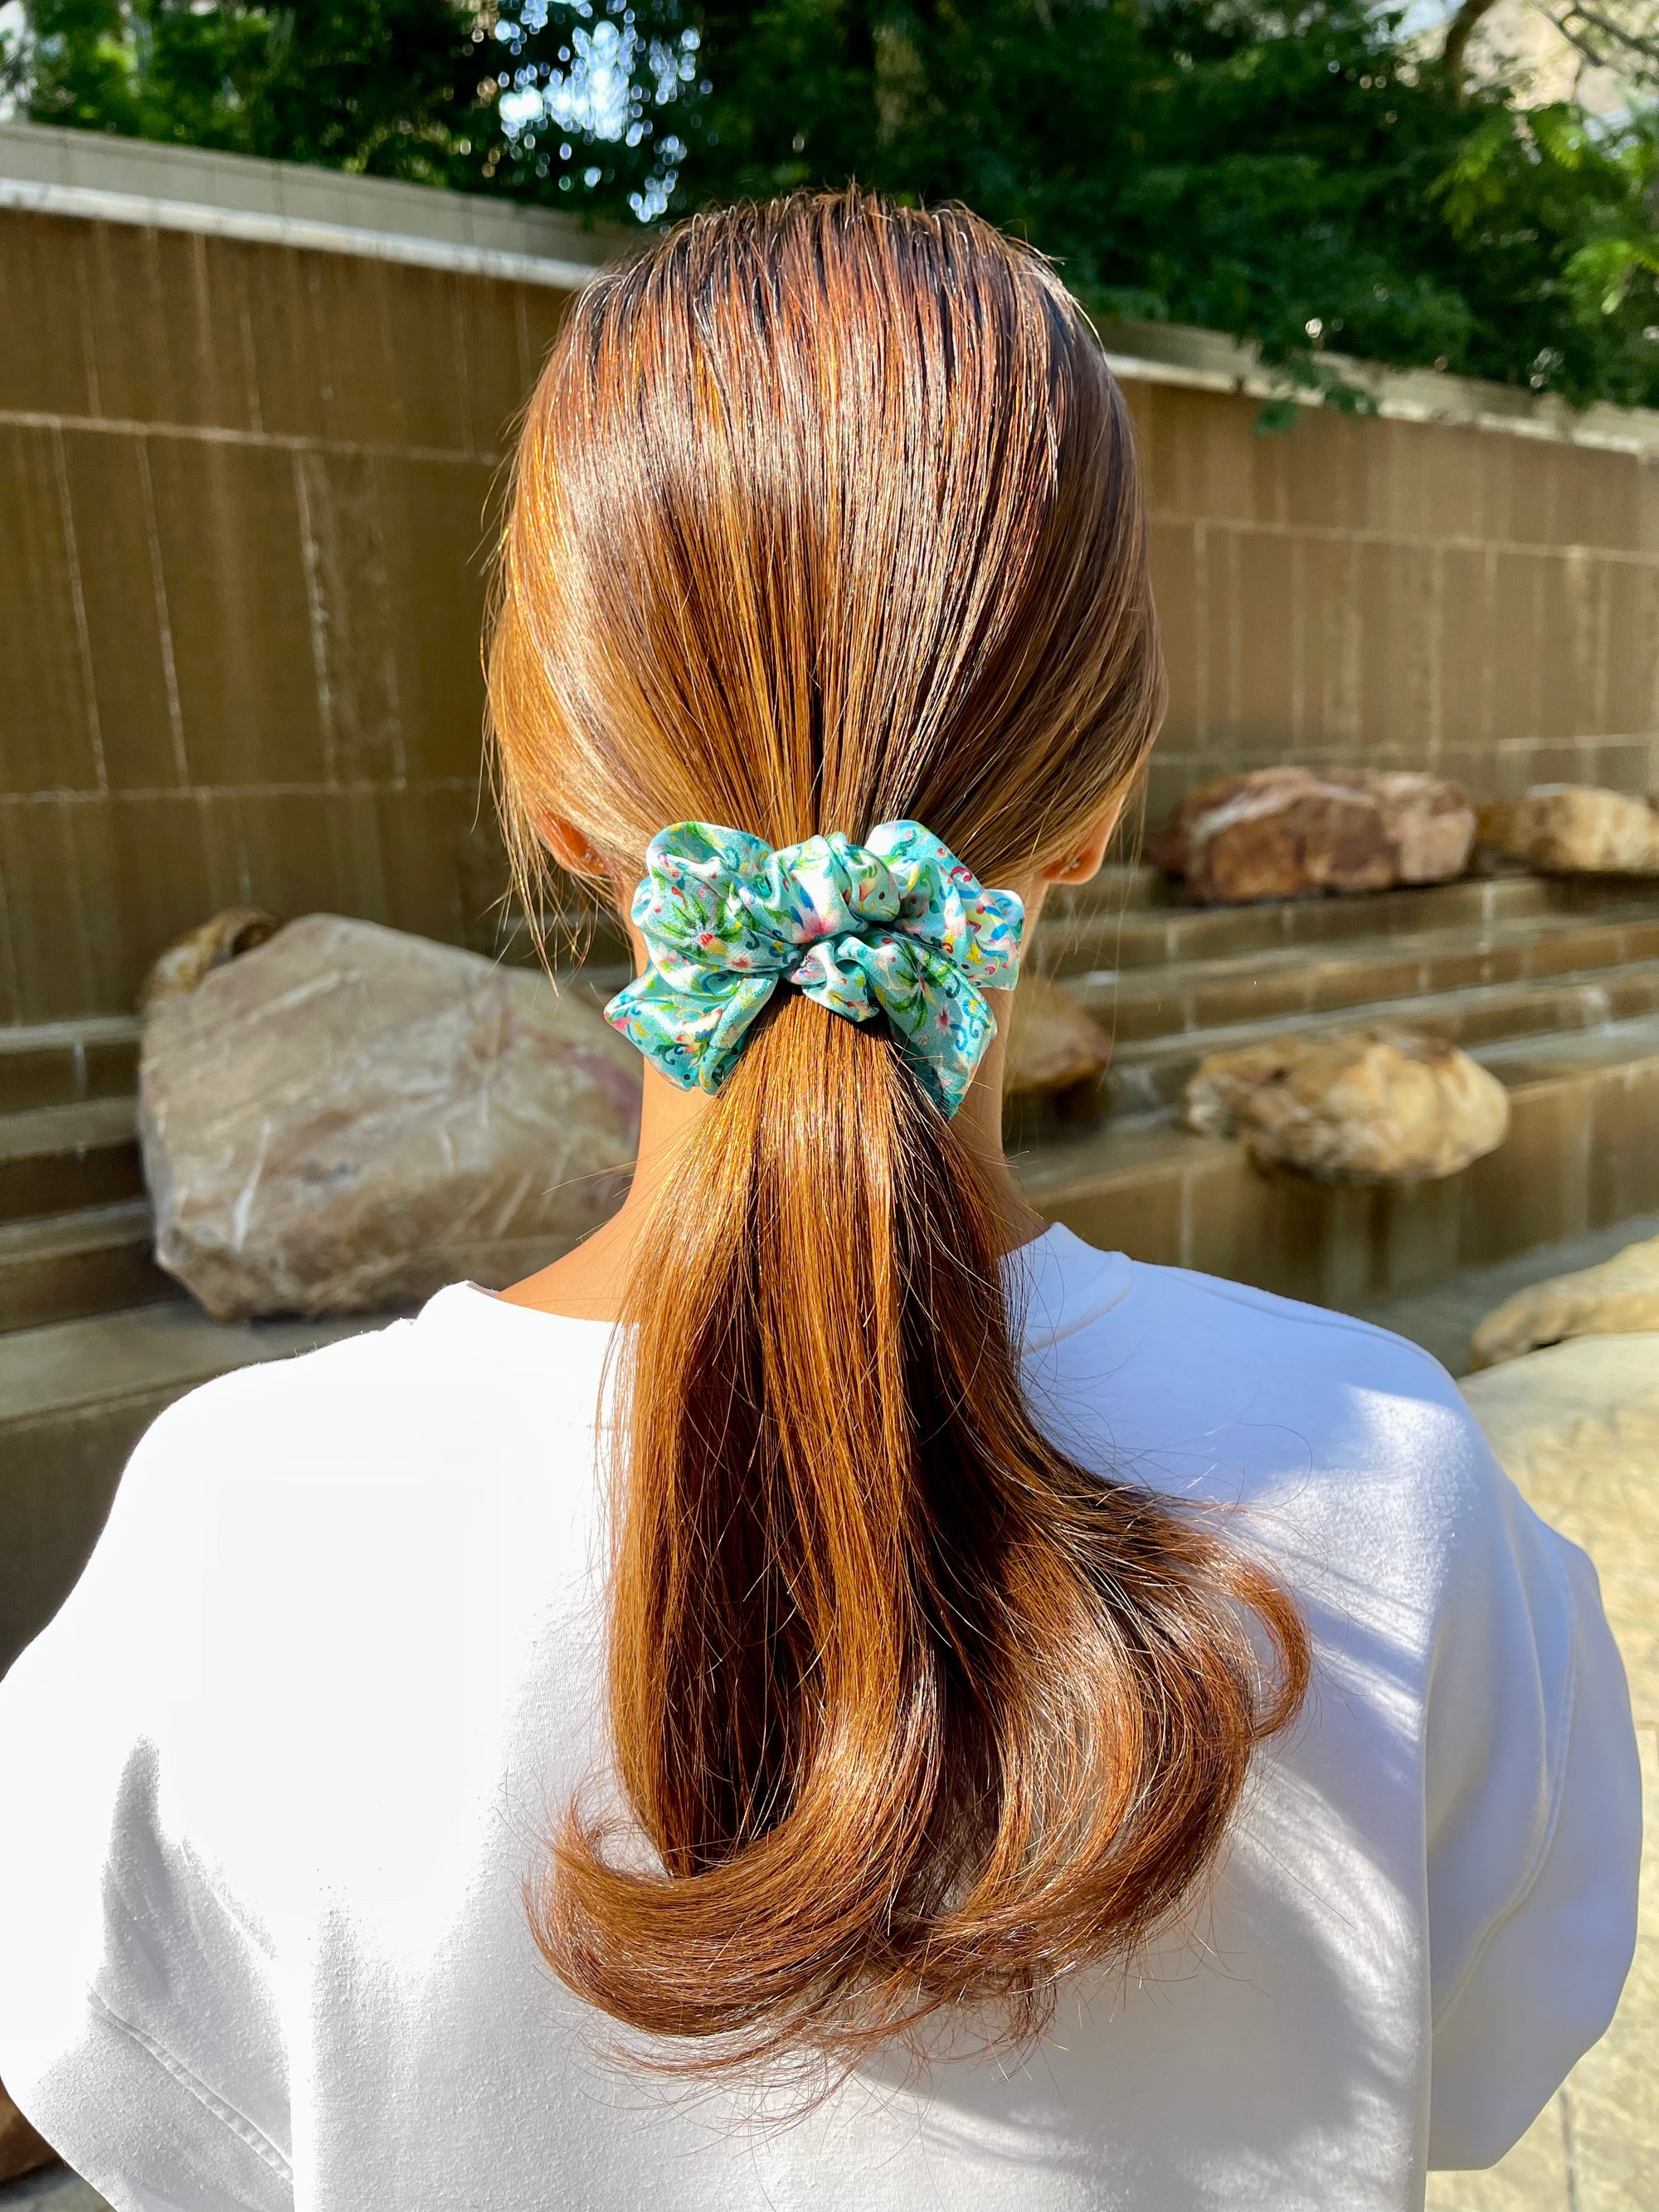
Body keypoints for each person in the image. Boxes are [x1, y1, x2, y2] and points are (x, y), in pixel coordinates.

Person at [0, 192, 1639, 2212]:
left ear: (548, 782)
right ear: (1101, 797)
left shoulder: (245, 1530)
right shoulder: (1399, 1479)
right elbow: (1469, 2073)